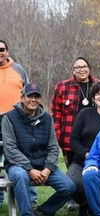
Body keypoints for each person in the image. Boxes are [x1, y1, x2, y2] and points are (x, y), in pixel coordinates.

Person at [1, 83, 76, 216]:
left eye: (37, 96)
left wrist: (47, 169)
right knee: (21, 175)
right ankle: (27, 214)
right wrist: (30, 169)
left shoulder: (47, 118)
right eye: (30, 96)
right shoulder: (9, 118)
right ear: (22, 97)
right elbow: (10, 149)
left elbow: (53, 147)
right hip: (17, 166)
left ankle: (43, 211)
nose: (34, 100)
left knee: (69, 187)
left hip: (43, 166)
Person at [51, 56, 99, 210]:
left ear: (89, 69)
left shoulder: (98, 86)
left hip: (94, 139)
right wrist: (59, 135)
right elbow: (56, 113)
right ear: (73, 70)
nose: (81, 69)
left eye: (84, 66)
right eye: (78, 67)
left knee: (94, 171)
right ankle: (78, 200)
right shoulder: (62, 87)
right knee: (73, 173)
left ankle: (97, 201)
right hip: (70, 139)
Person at [67, 81, 100, 216]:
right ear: (93, 99)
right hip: (83, 160)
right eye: (97, 94)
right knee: (70, 183)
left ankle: (97, 207)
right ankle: (87, 204)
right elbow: (74, 140)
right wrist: (86, 153)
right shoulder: (85, 114)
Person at [0, 39, 31, 208]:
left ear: (7, 52)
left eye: (2, 49)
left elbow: (28, 92)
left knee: (23, 156)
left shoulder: (18, 69)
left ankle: (29, 199)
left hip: (15, 118)